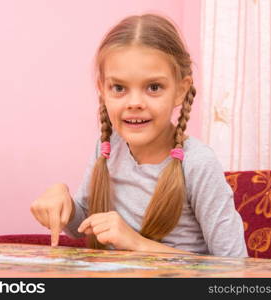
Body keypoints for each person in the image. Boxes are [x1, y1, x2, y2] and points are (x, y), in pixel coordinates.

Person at [30, 14, 248, 257]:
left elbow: (234, 267)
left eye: (154, 87)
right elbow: (83, 225)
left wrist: (137, 243)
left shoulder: (197, 164)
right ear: (102, 89)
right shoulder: (107, 148)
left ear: (180, 91)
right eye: (119, 88)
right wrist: (64, 203)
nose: (135, 103)